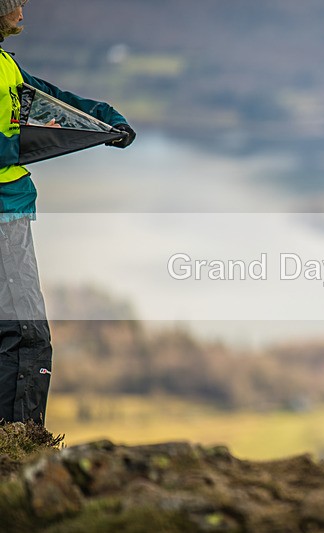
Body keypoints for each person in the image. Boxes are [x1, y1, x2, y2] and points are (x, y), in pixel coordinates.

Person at [0, 0, 135, 425]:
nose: (23, 11)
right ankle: (19, 445)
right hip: (3, 215)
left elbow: (49, 99)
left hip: (12, 208)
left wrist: (102, 120)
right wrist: (31, 142)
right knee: (25, 335)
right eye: (15, 3)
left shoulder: (6, 64)